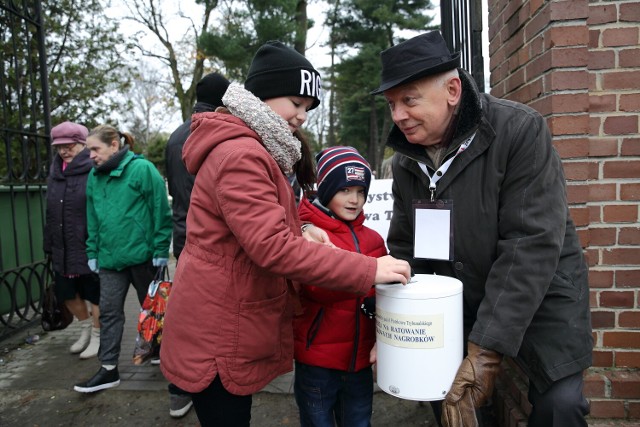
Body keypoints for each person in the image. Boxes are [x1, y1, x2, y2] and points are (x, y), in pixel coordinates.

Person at [159, 41, 411, 427]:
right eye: (296, 102)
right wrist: (368, 270)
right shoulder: (242, 153)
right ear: (263, 95)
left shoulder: (252, 148)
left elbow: (263, 225)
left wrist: (305, 228)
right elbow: (272, 246)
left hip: (221, 321)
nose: (303, 116)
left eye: (308, 107)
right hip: (217, 331)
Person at [370, 31, 593, 427]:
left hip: (540, 293)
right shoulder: (406, 164)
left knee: (562, 405)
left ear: (452, 90)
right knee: (451, 398)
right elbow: (406, 249)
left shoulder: (520, 131)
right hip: (458, 299)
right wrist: (396, 330)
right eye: (391, 104)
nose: (398, 115)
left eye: (409, 100)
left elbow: (531, 243)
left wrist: (485, 352)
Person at [74, 125, 172, 394]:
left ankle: (161, 351)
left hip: (143, 258)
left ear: (114, 145)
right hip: (109, 260)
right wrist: (92, 251)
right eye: (88, 149)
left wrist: (161, 249)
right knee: (109, 312)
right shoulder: (94, 177)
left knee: (152, 311)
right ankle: (108, 369)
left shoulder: (142, 170)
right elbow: (92, 217)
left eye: (95, 149)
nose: (90, 155)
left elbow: (160, 211)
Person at [293, 146, 385, 427]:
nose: (355, 200)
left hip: (359, 362)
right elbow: (313, 289)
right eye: (345, 190)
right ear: (326, 187)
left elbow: (386, 296)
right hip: (317, 363)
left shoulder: (374, 240)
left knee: (358, 422)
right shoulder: (308, 235)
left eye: (361, 191)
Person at [162, 71, 230, 418]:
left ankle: (179, 388)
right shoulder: (220, 133)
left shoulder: (176, 136)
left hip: (182, 234)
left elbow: (175, 189)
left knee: (184, 313)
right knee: (210, 322)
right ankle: (203, 384)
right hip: (213, 237)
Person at [43, 121, 101, 359]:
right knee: (67, 294)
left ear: (82, 144)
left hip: (86, 244)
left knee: (95, 294)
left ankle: (98, 336)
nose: (64, 151)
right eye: (59, 147)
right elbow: (50, 211)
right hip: (61, 246)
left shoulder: (94, 169)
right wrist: (48, 243)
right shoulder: (55, 173)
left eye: (69, 146)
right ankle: (85, 329)